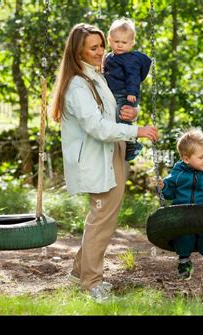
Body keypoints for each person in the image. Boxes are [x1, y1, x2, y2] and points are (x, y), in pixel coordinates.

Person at [50, 23, 158, 301]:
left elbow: (109, 118)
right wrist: (137, 131)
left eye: (101, 46)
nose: (101, 52)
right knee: (101, 221)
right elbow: (97, 128)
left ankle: (78, 272)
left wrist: (127, 113)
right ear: (78, 52)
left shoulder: (97, 77)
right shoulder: (77, 85)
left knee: (102, 219)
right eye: (93, 47)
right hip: (97, 159)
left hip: (111, 153)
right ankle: (91, 283)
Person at [155, 128, 203, 281]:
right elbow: (169, 192)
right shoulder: (178, 173)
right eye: (201, 157)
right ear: (186, 159)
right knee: (183, 237)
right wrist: (163, 187)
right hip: (183, 215)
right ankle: (184, 261)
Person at [103, 18, 152, 161]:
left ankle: (132, 144)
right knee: (117, 117)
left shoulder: (131, 59)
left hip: (126, 94)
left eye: (124, 43)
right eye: (116, 41)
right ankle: (129, 144)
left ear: (131, 43)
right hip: (114, 93)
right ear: (110, 40)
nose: (119, 45)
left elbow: (133, 77)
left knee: (122, 116)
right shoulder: (109, 57)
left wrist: (132, 92)